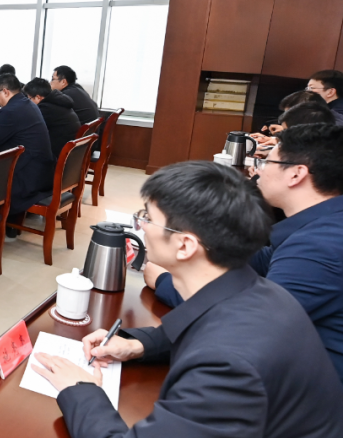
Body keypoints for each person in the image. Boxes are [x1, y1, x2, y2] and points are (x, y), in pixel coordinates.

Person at [32, 161, 343, 438]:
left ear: (185, 245)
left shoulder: (231, 366)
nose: (140, 226)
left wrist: (81, 390)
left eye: (147, 218)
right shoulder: (259, 292)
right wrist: (138, 345)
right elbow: (210, 322)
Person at [147, 124, 343, 383]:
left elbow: (248, 323)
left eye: (266, 161)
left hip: (308, 387)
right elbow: (257, 261)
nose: (257, 170)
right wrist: (195, 252)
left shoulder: (318, 247)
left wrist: (167, 282)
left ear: (296, 174)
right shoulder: (323, 224)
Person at [0, 74, 54, 217]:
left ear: (5, 92)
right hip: (42, 173)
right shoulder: (27, 104)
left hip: (27, 179)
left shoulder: (10, 111)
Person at [24, 77, 81, 160]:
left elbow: (28, 128)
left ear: (38, 97)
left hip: (57, 155)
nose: (28, 102)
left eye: (29, 99)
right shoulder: (58, 101)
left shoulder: (45, 109)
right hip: (69, 154)